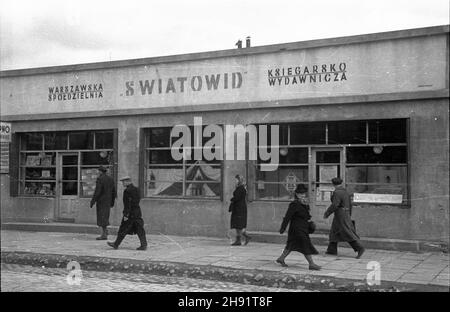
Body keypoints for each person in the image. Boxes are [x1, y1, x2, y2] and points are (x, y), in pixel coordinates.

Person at [276, 184, 321, 270]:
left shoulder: (304, 203)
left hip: (303, 227)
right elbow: (287, 217)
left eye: (304, 193)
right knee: (305, 244)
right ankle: (311, 264)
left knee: (291, 244)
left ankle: (281, 259)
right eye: (300, 194)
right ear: (296, 194)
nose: (302, 195)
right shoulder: (294, 204)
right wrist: (283, 228)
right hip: (297, 228)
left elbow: (307, 216)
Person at [324, 177, 365, 259]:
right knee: (334, 231)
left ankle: (359, 248)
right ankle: (331, 250)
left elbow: (335, 205)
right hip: (345, 213)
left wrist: (327, 213)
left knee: (346, 232)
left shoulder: (337, 192)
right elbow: (350, 204)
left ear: (333, 184)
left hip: (340, 214)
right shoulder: (345, 192)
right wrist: (348, 214)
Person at [107, 176, 147, 250]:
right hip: (137, 212)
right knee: (140, 229)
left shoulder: (127, 191)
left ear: (128, 181)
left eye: (124, 182)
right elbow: (137, 200)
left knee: (123, 228)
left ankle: (116, 244)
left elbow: (127, 204)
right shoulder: (137, 189)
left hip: (130, 214)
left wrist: (126, 214)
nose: (123, 183)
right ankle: (144, 245)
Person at [90, 166, 116, 240]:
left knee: (102, 217)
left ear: (100, 171)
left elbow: (97, 191)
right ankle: (105, 232)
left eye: (99, 171)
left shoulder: (100, 179)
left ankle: (104, 234)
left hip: (101, 201)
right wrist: (112, 201)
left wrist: (93, 201)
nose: (98, 173)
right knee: (105, 216)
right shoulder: (111, 179)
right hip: (108, 201)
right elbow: (114, 191)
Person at [229, 174, 251, 246]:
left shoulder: (241, 188)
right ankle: (239, 239)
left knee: (238, 224)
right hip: (239, 208)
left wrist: (232, 199)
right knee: (237, 225)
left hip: (239, 208)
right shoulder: (241, 187)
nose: (235, 181)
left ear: (239, 180)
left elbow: (237, 198)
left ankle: (245, 236)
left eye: (236, 179)